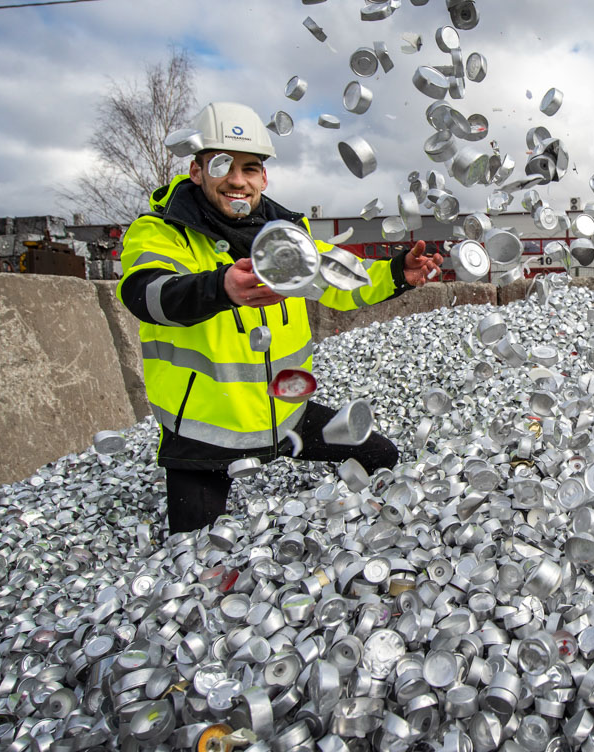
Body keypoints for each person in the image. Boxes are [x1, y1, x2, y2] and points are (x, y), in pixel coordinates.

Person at [117, 101, 443, 534]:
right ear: (196, 171)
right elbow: (146, 294)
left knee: (381, 457)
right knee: (192, 561)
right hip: (203, 435)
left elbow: (340, 281)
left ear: (263, 177)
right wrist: (220, 288)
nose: (237, 180)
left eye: (250, 168)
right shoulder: (161, 231)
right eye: (222, 165)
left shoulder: (286, 234)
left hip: (285, 415)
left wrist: (397, 273)